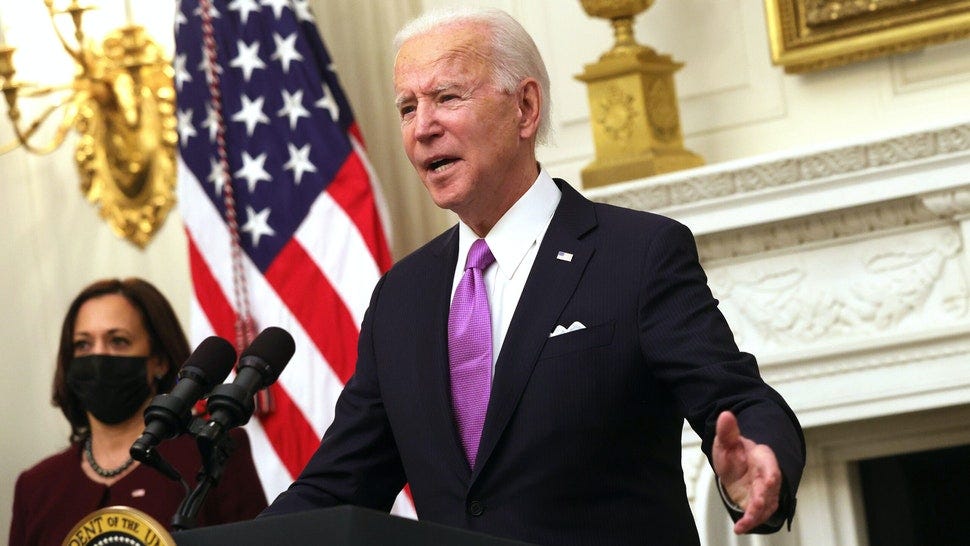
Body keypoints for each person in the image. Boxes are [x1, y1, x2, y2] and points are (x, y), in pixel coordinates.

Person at [260, 7, 805, 545]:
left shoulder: (636, 255)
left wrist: (758, 463)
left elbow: (737, 398)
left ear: (524, 108)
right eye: (407, 107)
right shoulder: (402, 296)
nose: (422, 127)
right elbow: (340, 485)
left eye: (447, 97)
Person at [9, 278, 267, 546]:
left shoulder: (211, 451)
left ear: (159, 361)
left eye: (118, 341)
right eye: (83, 345)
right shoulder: (37, 486)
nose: (98, 358)